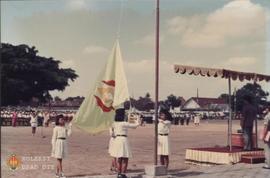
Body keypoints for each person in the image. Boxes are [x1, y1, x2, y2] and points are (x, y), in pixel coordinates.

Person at [111, 108, 140, 178]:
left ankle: (119, 173)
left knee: (119, 158)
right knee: (125, 158)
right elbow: (135, 126)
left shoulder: (114, 123)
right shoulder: (123, 123)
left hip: (117, 140)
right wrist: (138, 119)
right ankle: (123, 173)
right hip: (123, 139)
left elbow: (112, 134)